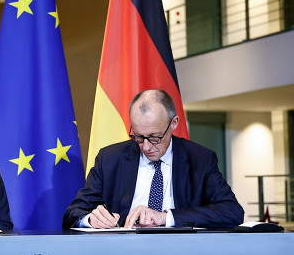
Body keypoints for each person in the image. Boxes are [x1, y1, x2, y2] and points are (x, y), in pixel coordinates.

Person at [63, 89, 244, 229]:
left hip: (181, 252)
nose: (146, 147)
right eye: (138, 137)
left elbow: (232, 211)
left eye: (154, 137)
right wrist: (91, 219)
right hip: (123, 252)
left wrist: (166, 217)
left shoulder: (200, 159)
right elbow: (72, 213)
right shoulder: (110, 158)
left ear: (173, 123)